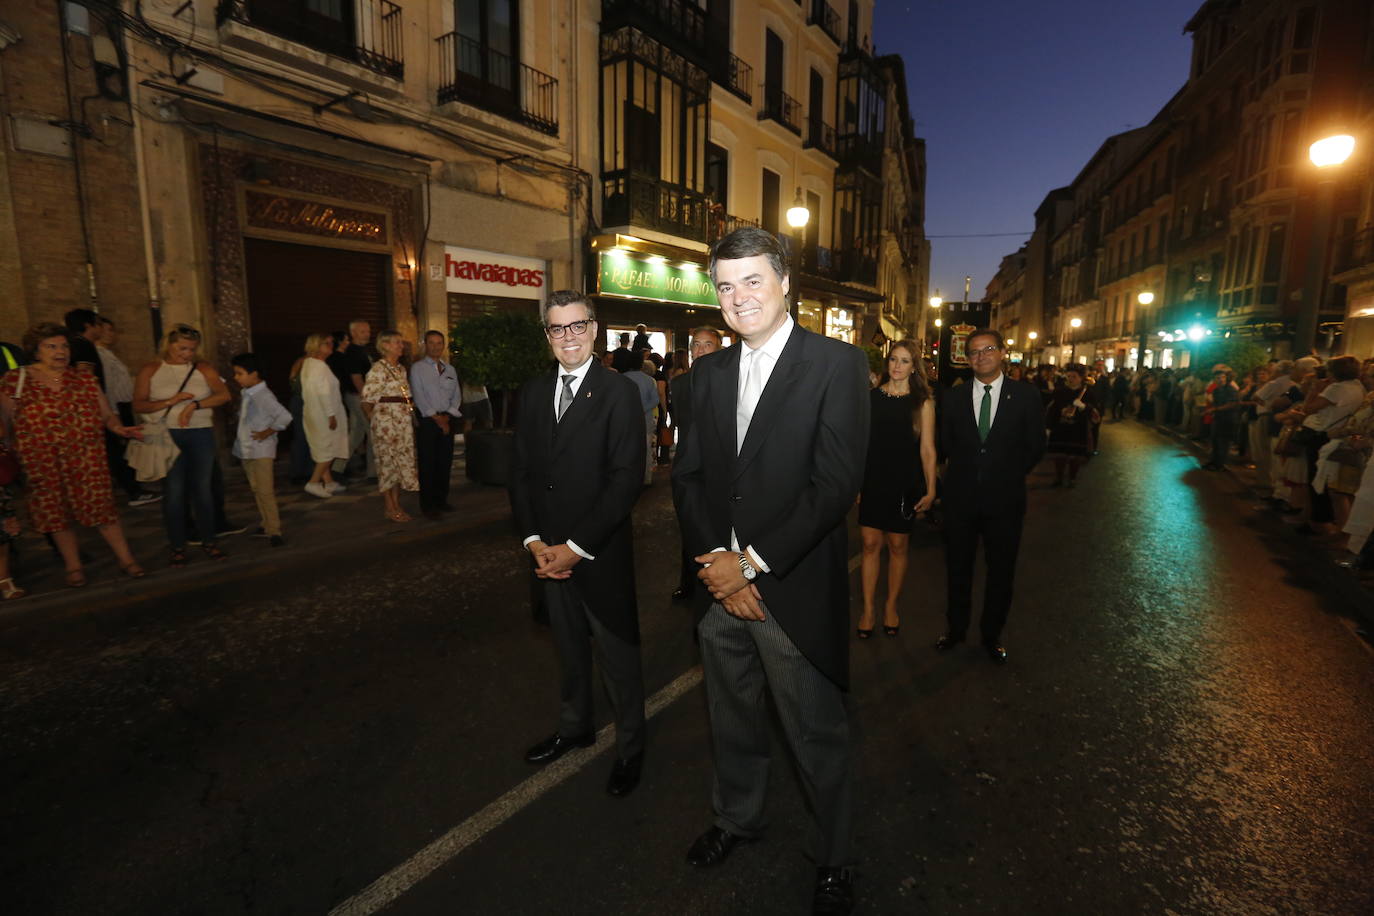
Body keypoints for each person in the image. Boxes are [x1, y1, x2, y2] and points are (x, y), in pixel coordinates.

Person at [672, 227, 869, 915]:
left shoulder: (836, 365)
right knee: (731, 722)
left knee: (816, 734)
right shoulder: (706, 374)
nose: (738, 297)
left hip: (790, 590)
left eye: (752, 280)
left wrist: (752, 566)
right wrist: (717, 568)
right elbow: (689, 478)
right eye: (725, 286)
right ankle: (737, 819)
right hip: (717, 590)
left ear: (786, 283)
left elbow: (834, 485)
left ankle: (835, 857)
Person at [509, 290, 648, 797]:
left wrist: (574, 547)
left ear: (593, 329)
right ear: (547, 336)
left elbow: (625, 480)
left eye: (576, 326)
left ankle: (632, 749)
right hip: (546, 557)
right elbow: (521, 474)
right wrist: (533, 543)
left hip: (598, 554)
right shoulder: (532, 392)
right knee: (568, 652)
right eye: (556, 329)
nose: (567, 337)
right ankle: (575, 728)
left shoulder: (619, 393)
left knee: (618, 659)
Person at [1, 322, 147, 584]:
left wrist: (120, 429)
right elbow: (5, 421)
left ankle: (127, 559)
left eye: (64, 346)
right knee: (57, 513)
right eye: (51, 346)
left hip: (86, 457)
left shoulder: (84, 378)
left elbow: (106, 414)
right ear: (36, 350)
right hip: (41, 460)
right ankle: (73, 566)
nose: (61, 351)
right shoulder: (16, 380)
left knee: (103, 509)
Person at [936, 328, 1046, 663]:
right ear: (967, 359)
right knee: (958, 569)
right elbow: (944, 445)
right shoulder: (952, 398)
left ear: (1002, 353)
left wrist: (1007, 474)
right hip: (960, 501)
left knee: (1001, 571)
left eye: (988, 349)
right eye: (973, 352)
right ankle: (956, 630)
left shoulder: (1026, 396)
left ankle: (991, 634)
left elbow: (1035, 446)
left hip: (1005, 501)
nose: (981, 356)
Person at [130, 324, 231, 566]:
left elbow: (224, 395)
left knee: (203, 490)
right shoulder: (152, 369)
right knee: (174, 492)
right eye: (182, 348)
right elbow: (139, 405)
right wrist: (170, 401)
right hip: (168, 435)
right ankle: (178, 546)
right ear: (169, 344)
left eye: (192, 349)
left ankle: (209, 541)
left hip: (200, 434)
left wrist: (194, 405)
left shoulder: (203, 368)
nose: (187, 354)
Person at [857, 340, 937, 638]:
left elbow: (928, 449)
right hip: (874, 479)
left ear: (914, 367)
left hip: (905, 482)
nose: (897, 366)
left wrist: (930, 490)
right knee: (868, 545)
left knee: (898, 546)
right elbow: (859, 445)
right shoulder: (871, 397)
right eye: (893, 359)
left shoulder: (922, 402)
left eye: (904, 361)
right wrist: (856, 483)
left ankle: (891, 605)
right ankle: (867, 609)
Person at [669, 327, 722, 603]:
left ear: (719, 349)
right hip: (686, 468)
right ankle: (687, 582)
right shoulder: (678, 385)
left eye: (707, 345)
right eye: (696, 346)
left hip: (718, 469)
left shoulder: (728, 382)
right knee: (688, 525)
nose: (700, 350)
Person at [95, 317, 159, 507]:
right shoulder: (99, 355)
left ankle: (135, 485)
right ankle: (132, 489)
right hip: (114, 407)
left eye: (112, 330)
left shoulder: (108, 353)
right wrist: (112, 412)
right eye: (108, 329)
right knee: (118, 450)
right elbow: (107, 386)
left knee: (127, 447)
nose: (111, 334)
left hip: (121, 405)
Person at [228, 353, 291, 548]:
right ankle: (266, 524)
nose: (236, 377)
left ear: (254, 374)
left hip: (261, 450)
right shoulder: (248, 392)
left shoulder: (263, 395)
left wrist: (268, 432)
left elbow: (285, 417)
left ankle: (274, 530)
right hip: (248, 449)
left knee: (265, 491)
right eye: (235, 373)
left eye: (240, 373)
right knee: (257, 489)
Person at [361, 330, 420, 523]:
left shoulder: (401, 369)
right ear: (385, 345)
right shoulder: (378, 368)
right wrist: (376, 423)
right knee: (387, 465)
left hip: (402, 424)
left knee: (399, 464)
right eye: (397, 343)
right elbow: (367, 400)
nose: (401, 346)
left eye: (401, 343)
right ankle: (389, 507)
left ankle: (397, 503)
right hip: (386, 426)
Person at [411, 330, 463, 520]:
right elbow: (419, 396)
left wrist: (448, 416)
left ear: (444, 345)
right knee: (427, 463)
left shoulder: (450, 369)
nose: (436, 346)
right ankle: (428, 505)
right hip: (428, 421)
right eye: (432, 343)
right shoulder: (417, 368)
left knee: (444, 462)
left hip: (447, 419)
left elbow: (456, 395)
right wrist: (437, 418)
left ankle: (442, 500)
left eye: (439, 343)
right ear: (425, 344)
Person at [299, 332, 349, 499]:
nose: (330, 346)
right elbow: (323, 393)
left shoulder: (309, 363)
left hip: (313, 413)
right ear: (317, 346)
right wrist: (331, 415)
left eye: (330, 343)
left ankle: (328, 482)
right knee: (328, 449)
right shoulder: (319, 366)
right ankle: (313, 483)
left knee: (322, 448)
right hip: (323, 415)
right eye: (326, 343)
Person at [337, 319, 377, 481]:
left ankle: (335, 469)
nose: (367, 334)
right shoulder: (353, 351)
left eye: (368, 331)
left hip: (357, 397)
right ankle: (373, 473)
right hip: (358, 397)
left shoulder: (362, 350)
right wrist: (367, 400)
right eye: (363, 331)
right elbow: (356, 378)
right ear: (353, 333)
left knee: (356, 435)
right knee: (373, 432)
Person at [1044, 364, 1097, 487]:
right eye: (1068, 376)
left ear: (1080, 378)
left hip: (1078, 428)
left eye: (1074, 376)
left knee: (1075, 456)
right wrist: (1048, 427)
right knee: (1060, 455)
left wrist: (1085, 407)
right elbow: (1052, 410)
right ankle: (1059, 477)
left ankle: (1072, 478)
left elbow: (1095, 412)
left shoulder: (1087, 393)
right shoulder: (1059, 391)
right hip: (1060, 427)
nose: (1070, 379)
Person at [623, 358, 661, 485]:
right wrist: (642, 409)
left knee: (627, 449)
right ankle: (646, 478)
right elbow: (655, 400)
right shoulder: (649, 380)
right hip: (646, 419)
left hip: (626, 420)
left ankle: (629, 477)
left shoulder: (623, 377)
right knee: (646, 449)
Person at [1201, 364, 1240, 470]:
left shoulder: (1230, 390)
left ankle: (1220, 464)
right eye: (1218, 378)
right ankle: (1214, 461)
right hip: (1218, 418)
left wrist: (1215, 409)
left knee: (1223, 443)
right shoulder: (1217, 391)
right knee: (1215, 441)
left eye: (1222, 377)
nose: (1220, 380)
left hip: (1228, 420)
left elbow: (1232, 404)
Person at [62, 308, 106, 389]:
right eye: (99, 324)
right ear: (87, 325)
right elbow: (86, 377)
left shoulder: (73, 342)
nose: (102, 328)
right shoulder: (83, 345)